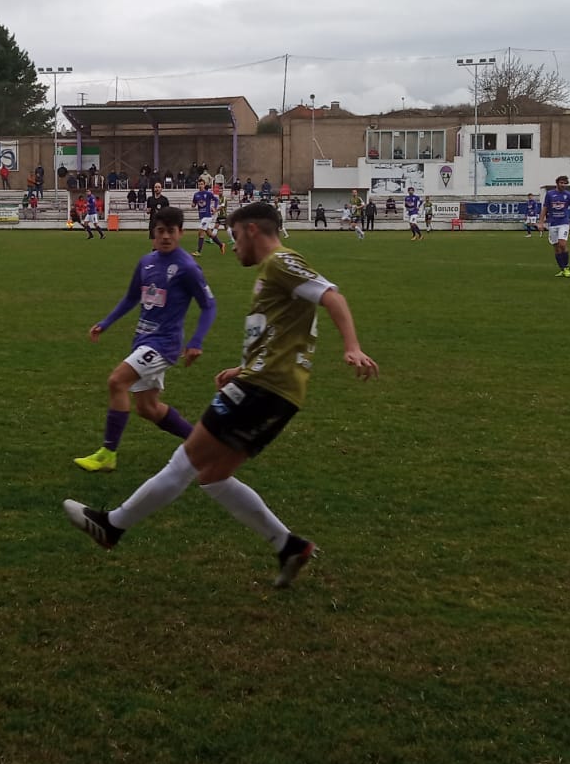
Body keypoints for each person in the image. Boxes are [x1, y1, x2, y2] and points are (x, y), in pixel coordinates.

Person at [63, 201, 377, 589]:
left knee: (185, 460)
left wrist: (352, 346)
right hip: (279, 391)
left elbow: (332, 295)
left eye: (234, 235)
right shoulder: (271, 270)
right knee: (212, 476)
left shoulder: (281, 261)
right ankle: (288, 545)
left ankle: (112, 525)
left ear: (250, 230)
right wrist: (242, 368)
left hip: (261, 389)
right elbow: (283, 332)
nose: (233, 244)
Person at [73, 207, 217, 473]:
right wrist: (105, 323)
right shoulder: (146, 262)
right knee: (148, 408)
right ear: (153, 233)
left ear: (180, 233)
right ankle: (202, 445)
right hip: (143, 340)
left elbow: (209, 305)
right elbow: (131, 298)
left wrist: (196, 341)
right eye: (160, 231)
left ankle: (108, 454)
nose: (165, 237)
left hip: (164, 344)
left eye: (171, 231)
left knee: (117, 381)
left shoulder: (187, 267)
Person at [538, 176, 570, 277]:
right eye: (561, 183)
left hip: (564, 222)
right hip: (552, 223)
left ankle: (566, 267)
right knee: (556, 248)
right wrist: (541, 222)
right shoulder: (550, 194)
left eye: (565, 183)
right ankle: (562, 269)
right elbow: (544, 208)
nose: (563, 185)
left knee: (562, 244)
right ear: (557, 183)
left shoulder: (568, 195)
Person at [190, 181, 225, 254]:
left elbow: (216, 199)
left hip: (207, 216)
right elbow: (194, 203)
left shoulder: (208, 193)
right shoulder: (196, 195)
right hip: (201, 216)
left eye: (202, 184)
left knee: (200, 232)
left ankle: (198, 251)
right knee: (209, 234)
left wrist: (215, 208)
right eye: (199, 184)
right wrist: (193, 205)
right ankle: (221, 245)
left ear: (204, 185)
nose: (200, 185)